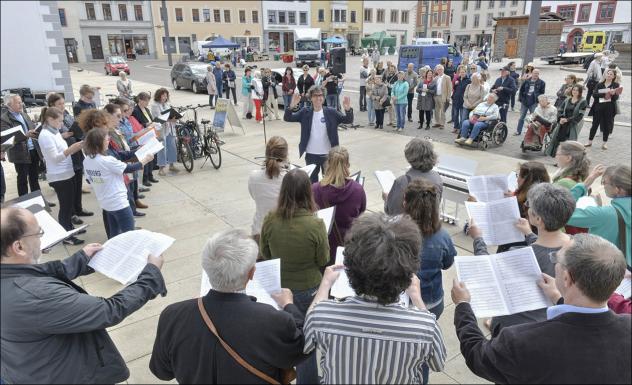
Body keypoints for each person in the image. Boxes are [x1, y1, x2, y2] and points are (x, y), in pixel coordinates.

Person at [0, 207, 166, 384]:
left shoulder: (12, 276)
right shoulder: (34, 295)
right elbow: (109, 310)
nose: (41, 239)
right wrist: (151, 275)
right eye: (38, 233)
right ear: (19, 247)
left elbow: (37, 272)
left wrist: (82, 258)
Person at [298, 213, 447, 384]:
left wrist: (324, 285)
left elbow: (307, 340)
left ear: (350, 269)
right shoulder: (425, 327)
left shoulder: (324, 315)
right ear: (408, 272)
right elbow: (438, 363)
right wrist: (417, 299)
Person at [149, 228, 308, 383]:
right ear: (252, 273)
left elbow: (162, 372)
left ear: (206, 268)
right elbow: (302, 347)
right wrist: (289, 306)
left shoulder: (173, 314)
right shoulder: (273, 319)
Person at [470, 183, 575, 335]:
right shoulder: (578, 246)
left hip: (514, 327)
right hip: (547, 320)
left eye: (529, 206)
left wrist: (478, 238)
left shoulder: (518, 255)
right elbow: (546, 249)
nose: (527, 208)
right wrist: (529, 234)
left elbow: (487, 268)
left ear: (538, 219)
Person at [259, 168, 329, 384]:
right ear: (308, 192)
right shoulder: (315, 224)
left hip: (280, 289)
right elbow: (323, 259)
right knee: (305, 343)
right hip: (309, 289)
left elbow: (265, 253)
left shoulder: (271, 219)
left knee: (282, 338)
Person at [83, 126, 153, 237]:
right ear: (99, 143)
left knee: (114, 236)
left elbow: (89, 179)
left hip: (105, 203)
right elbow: (129, 168)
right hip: (119, 203)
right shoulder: (106, 160)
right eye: (107, 140)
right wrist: (146, 160)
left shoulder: (87, 160)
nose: (108, 142)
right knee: (129, 235)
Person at [36, 107, 85, 245]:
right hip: (59, 176)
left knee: (69, 206)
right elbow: (54, 158)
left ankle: (69, 228)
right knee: (65, 207)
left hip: (66, 173)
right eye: (60, 121)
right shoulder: (45, 135)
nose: (62, 124)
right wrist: (72, 149)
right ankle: (66, 236)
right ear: (50, 119)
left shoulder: (54, 131)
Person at [284, 85, 353, 183]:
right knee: (312, 183)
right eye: (315, 95)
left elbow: (348, 120)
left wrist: (348, 109)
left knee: (330, 182)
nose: (318, 98)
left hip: (329, 155)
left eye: (320, 95)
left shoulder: (331, 112)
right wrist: (291, 106)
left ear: (324, 97)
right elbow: (288, 118)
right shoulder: (305, 112)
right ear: (310, 98)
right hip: (311, 155)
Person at [567, 164, 631, 266]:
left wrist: (585, 184)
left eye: (604, 182)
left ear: (618, 189)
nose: (603, 185)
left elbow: (561, 211)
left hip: (605, 271)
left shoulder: (604, 214)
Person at [312, 146, 366, 265]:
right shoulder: (358, 189)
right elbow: (361, 212)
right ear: (348, 165)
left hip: (323, 247)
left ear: (328, 164)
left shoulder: (315, 189)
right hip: (347, 246)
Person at [46, 93, 93, 222]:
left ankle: (78, 208)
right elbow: (55, 139)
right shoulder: (50, 124)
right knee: (69, 190)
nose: (62, 106)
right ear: (52, 106)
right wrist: (66, 135)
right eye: (59, 104)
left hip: (75, 150)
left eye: (63, 103)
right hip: (66, 154)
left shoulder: (66, 113)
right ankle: (72, 214)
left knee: (77, 183)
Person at [384, 138, 443, 215]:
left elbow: (393, 211)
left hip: (407, 225)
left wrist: (386, 199)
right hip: (429, 224)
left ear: (410, 156)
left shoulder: (403, 181)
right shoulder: (436, 177)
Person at [1, 94, 42, 198]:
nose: (21, 104)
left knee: (34, 177)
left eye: (21, 102)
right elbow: (8, 139)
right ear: (9, 105)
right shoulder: (4, 119)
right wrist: (25, 135)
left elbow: (31, 128)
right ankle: (24, 201)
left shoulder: (24, 114)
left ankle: (38, 199)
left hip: (33, 149)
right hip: (20, 153)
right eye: (18, 102)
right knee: (23, 179)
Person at [248, 136, 288, 242]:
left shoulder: (253, 176)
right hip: (282, 233)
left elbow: (254, 196)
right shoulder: (289, 178)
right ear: (285, 155)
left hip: (259, 231)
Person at [546, 86, 587, 157]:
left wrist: (568, 120)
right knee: (559, 140)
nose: (574, 91)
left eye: (577, 90)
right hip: (563, 123)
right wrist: (560, 118)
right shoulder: (567, 99)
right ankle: (559, 158)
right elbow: (560, 110)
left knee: (569, 143)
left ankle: (568, 160)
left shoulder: (583, 101)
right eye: (573, 90)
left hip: (572, 124)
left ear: (580, 92)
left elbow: (580, 115)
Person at [585, 68, 620, 150]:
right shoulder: (599, 84)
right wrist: (605, 94)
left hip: (609, 108)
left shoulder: (616, 85)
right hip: (598, 107)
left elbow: (616, 98)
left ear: (614, 76)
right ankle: (589, 141)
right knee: (594, 124)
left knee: (607, 125)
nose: (609, 75)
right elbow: (594, 94)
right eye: (608, 73)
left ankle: (604, 143)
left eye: (611, 74)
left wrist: (613, 94)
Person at [131, 92, 159, 187]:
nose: (147, 103)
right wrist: (146, 124)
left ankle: (150, 175)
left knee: (152, 156)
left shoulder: (146, 109)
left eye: (148, 101)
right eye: (146, 101)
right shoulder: (135, 110)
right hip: (143, 136)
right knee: (145, 157)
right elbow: (136, 124)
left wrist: (153, 123)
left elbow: (150, 120)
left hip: (150, 134)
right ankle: (145, 178)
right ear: (140, 100)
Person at [151, 88, 180, 175]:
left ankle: (171, 165)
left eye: (166, 95)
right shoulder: (155, 105)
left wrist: (175, 118)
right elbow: (158, 118)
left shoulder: (167, 104)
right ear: (159, 96)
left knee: (172, 147)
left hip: (170, 128)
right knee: (162, 149)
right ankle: (161, 168)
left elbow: (171, 113)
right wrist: (169, 119)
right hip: (161, 130)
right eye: (163, 95)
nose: (165, 97)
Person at [515, 69, 545, 136]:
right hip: (525, 101)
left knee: (533, 118)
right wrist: (521, 99)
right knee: (521, 117)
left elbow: (542, 93)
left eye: (537, 73)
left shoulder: (542, 82)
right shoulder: (526, 81)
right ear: (532, 73)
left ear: (538, 74)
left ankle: (530, 131)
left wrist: (537, 100)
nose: (536, 75)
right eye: (535, 73)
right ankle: (518, 131)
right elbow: (521, 90)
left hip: (533, 102)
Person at [431, 64, 452, 129]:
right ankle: (437, 122)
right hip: (436, 96)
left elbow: (450, 88)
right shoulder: (435, 78)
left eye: (441, 69)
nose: (439, 70)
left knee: (443, 111)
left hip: (443, 96)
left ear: (443, 70)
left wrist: (448, 97)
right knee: (436, 110)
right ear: (437, 71)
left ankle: (442, 124)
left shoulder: (447, 77)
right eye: (438, 69)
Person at [451, 66, 471, 132]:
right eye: (461, 72)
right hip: (456, 100)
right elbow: (454, 89)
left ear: (465, 72)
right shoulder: (458, 80)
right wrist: (455, 84)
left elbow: (468, 91)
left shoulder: (468, 80)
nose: (462, 73)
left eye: (463, 72)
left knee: (462, 117)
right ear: (459, 73)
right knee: (455, 115)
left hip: (463, 101)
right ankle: (455, 127)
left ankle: (461, 129)